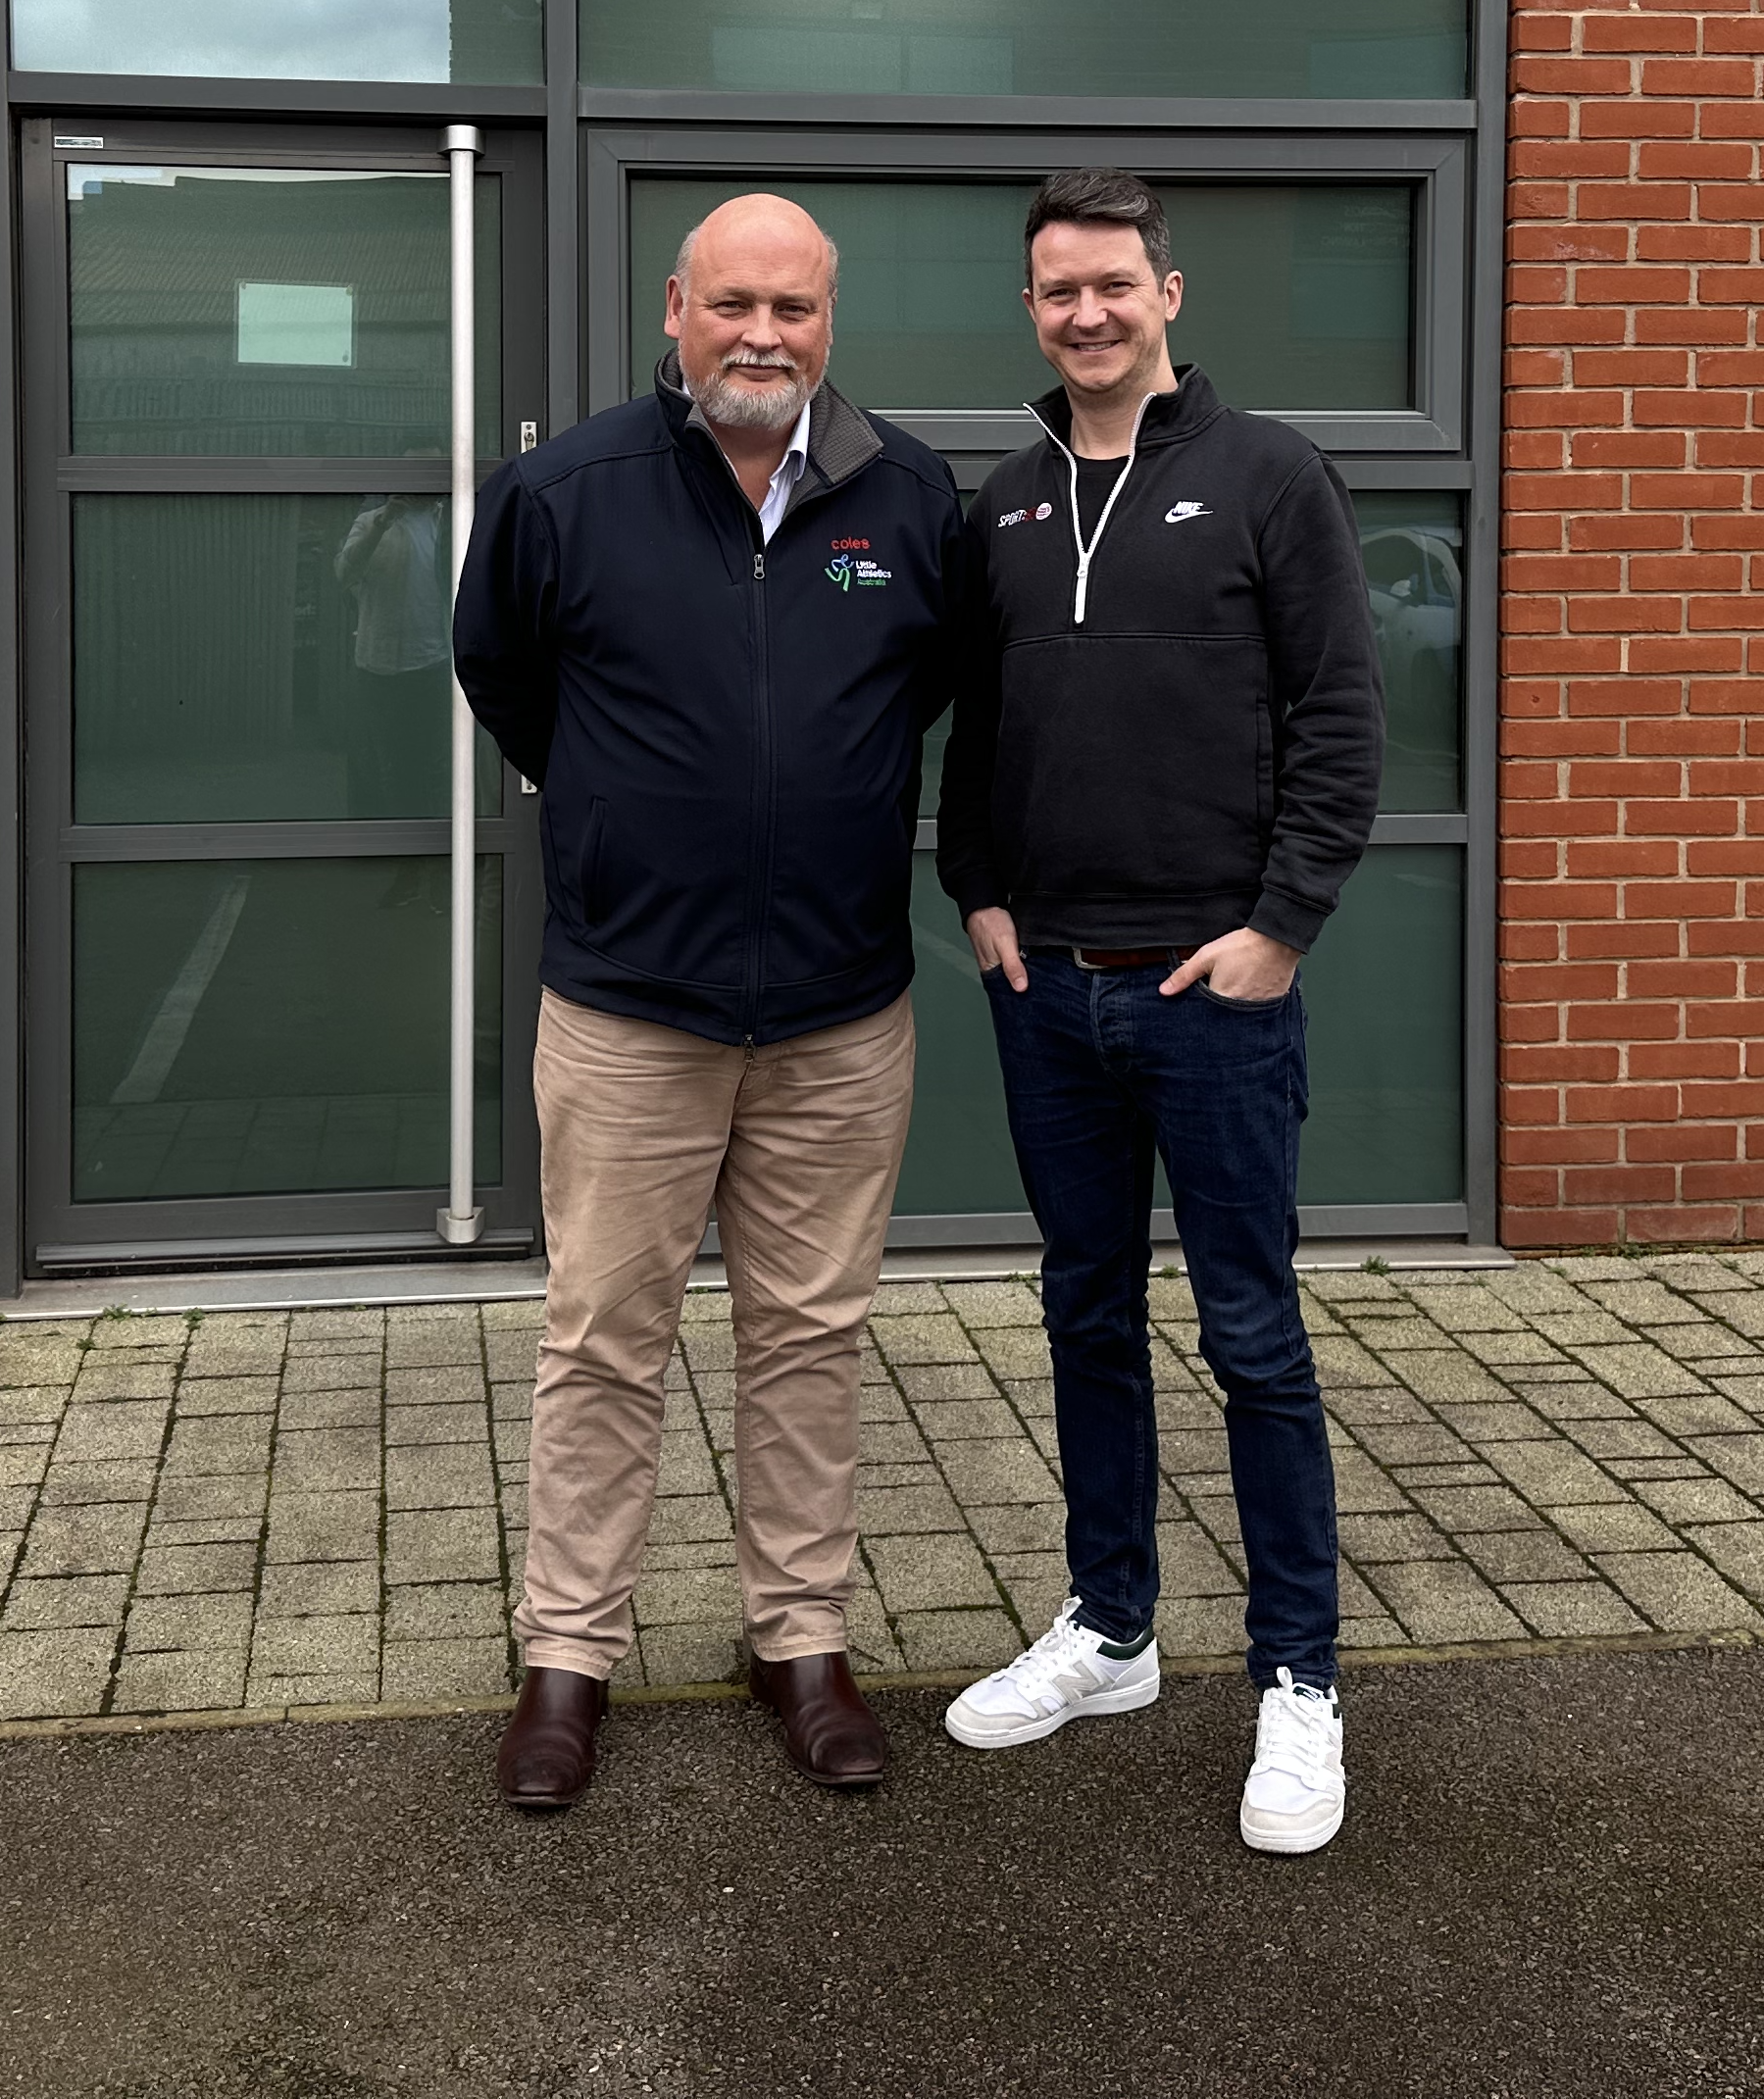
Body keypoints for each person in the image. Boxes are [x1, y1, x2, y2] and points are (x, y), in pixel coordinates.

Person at [452, 194, 962, 1810]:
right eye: (735, 303)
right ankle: (568, 1657)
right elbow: (503, 676)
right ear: (675, 308)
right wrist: (622, 811)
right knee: (604, 1339)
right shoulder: (562, 492)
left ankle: (798, 1639)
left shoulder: (909, 495)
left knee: (810, 1337)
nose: (765, 336)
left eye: (795, 310)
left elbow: (926, 696)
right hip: (629, 1009)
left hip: (838, 1011)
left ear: (832, 321)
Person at [932, 167, 1384, 1856]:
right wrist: (974, 890)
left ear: (1167, 295)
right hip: (1050, 993)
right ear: (1033, 306)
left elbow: (1342, 721)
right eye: (1059, 289)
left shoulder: (1270, 479)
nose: (1089, 312)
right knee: (1083, 1314)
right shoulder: (1002, 502)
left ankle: (1300, 1682)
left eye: (1115, 283)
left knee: (1252, 1334)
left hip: (1214, 1000)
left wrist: (1281, 930)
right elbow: (971, 736)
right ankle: (1112, 1629)